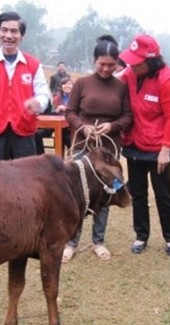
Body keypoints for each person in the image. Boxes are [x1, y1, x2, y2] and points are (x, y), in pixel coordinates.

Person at [62, 35, 133, 263]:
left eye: (111, 65)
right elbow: (70, 112)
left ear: (117, 64)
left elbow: (128, 116)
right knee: (78, 194)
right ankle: (71, 242)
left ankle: (98, 241)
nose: (106, 69)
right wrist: (83, 127)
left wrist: (112, 125)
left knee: (106, 193)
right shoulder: (81, 83)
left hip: (109, 149)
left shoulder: (121, 87)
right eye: (102, 64)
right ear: (94, 61)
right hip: (83, 146)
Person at [119, 34, 170, 256]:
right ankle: (141, 235)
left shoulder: (166, 80)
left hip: (157, 148)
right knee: (137, 193)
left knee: (163, 194)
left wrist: (166, 150)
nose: (131, 66)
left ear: (152, 61)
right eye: (130, 61)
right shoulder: (130, 73)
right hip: (134, 143)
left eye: (137, 62)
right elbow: (114, 82)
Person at [0, 11, 50, 161]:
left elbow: (43, 95)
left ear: (22, 36)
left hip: (24, 131)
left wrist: (38, 103)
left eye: (14, 31)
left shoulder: (33, 64)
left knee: (26, 179)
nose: (8, 36)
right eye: (4, 30)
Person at [35, 76, 73, 155]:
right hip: (53, 125)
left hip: (69, 127)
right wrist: (56, 110)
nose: (67, 86)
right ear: (61, 86)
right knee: (37, 134)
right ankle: (42, 157)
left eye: (69, 84)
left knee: (65, 137)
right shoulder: (56, 98)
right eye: (64, 84)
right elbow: (50, 112)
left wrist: (66, 109)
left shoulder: (75, 98)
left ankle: (63, 158)